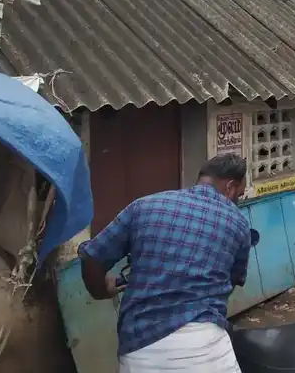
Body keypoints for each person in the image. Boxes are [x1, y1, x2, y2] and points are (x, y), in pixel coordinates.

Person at [77, 153, 251, 373]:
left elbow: (91, 256)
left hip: (141, 352)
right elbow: (233, 281)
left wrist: (101, 290)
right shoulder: (238, 223)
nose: (238, 202)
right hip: (209, 354)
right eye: (240, 195)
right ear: (231, 187)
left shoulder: (143, 206)